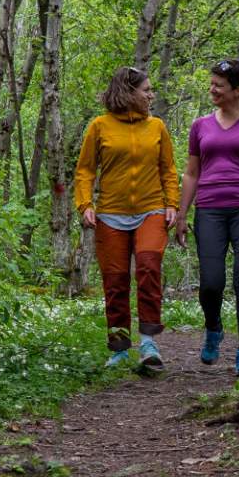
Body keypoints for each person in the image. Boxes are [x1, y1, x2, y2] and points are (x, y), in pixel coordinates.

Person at [172, 58, 239, 376]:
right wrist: (181, 215)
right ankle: (213, 328)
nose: (212, 89)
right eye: (212, 83)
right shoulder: (200, 126)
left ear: (238, 90)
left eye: (219, 85)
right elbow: (191, 173)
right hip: (209, 209)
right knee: (211, 283)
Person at [75, 67, 179, 374]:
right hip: (110, 214)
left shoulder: (157, 127)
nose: (151, 95)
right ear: (127, 93)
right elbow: (85, 170)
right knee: (116, 281)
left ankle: (149, 345)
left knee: (148, 268)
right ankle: (119, 349)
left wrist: (171, 203)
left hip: (151, 210)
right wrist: (85, 204)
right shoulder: (99, 126)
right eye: (146, 90)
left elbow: (168, 170)